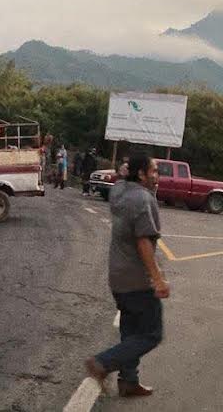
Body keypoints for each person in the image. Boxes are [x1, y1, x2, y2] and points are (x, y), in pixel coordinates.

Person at [85, 152, 168, 398]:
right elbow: (143, 242)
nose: (157, 175)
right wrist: (158, 279)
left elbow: (123, 178)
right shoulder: (142, 200)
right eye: (153, 171)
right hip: (137, 280)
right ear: (141, 174)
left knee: (131, 331)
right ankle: (102, 362)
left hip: (117, 277)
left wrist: (126, 173)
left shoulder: (119, 191)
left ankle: (129, 382)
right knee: (151, 334)